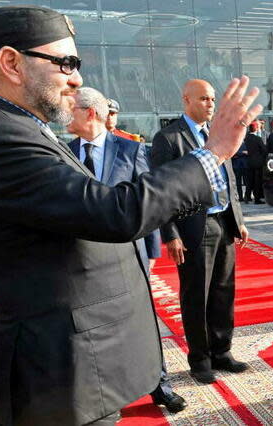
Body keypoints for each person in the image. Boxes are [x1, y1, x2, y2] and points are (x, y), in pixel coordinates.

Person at [0, 5, 262, 424]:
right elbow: (114, 212)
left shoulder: (13, 125)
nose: (77, 78)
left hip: (76, 363)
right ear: (11, 63)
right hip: (61, 374)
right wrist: (212, 154)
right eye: (65, 63)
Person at [65, 86, 184, 413]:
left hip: (130, 255)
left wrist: (159, 246)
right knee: (93, 328)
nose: (64, 113)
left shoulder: (131, 151)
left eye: (71, 108)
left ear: (90, 113)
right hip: (84, 259)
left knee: (143, 320)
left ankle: (160, 385)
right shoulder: (63, 152)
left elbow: (150, 203)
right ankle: (101, 393)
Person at [151, 79, 251, 385]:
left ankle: (222, 352)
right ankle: (200, 359)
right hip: (193, 226)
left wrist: (239, 218)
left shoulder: (215, 134)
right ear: (186, 100)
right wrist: (170, 234)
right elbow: (161, 189)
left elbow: (228, 177)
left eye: (212, 99)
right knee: (197, 294)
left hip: (222, 221)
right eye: (204, 99)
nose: (210, 104)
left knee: (223, 290)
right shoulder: (168, 139)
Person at [243, 121, 266, 204]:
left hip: (249, 162)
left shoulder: (246, 138)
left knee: (249, 181)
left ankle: (247, 197)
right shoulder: (258, 139)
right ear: (256, 129)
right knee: (257, 181)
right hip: (257, 163)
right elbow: (264, 150)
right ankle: (257, 199)